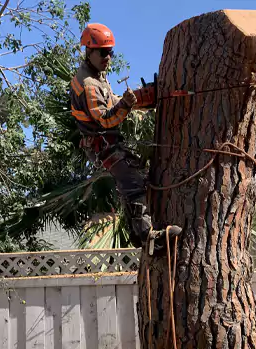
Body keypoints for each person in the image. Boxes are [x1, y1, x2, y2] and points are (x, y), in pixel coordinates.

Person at [70, 23, 182, 254]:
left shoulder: (97, 76)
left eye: (110, 52)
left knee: (137, 174)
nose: (108, 57)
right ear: (88, 50)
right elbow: (106, 119)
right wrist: (129, 104)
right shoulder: (89, 84)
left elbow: (112, 101)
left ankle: (134, 232)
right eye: (103, 52)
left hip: (106, 142)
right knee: (133, 182)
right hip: (101, 144)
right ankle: (149, 239)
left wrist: (141, 99)